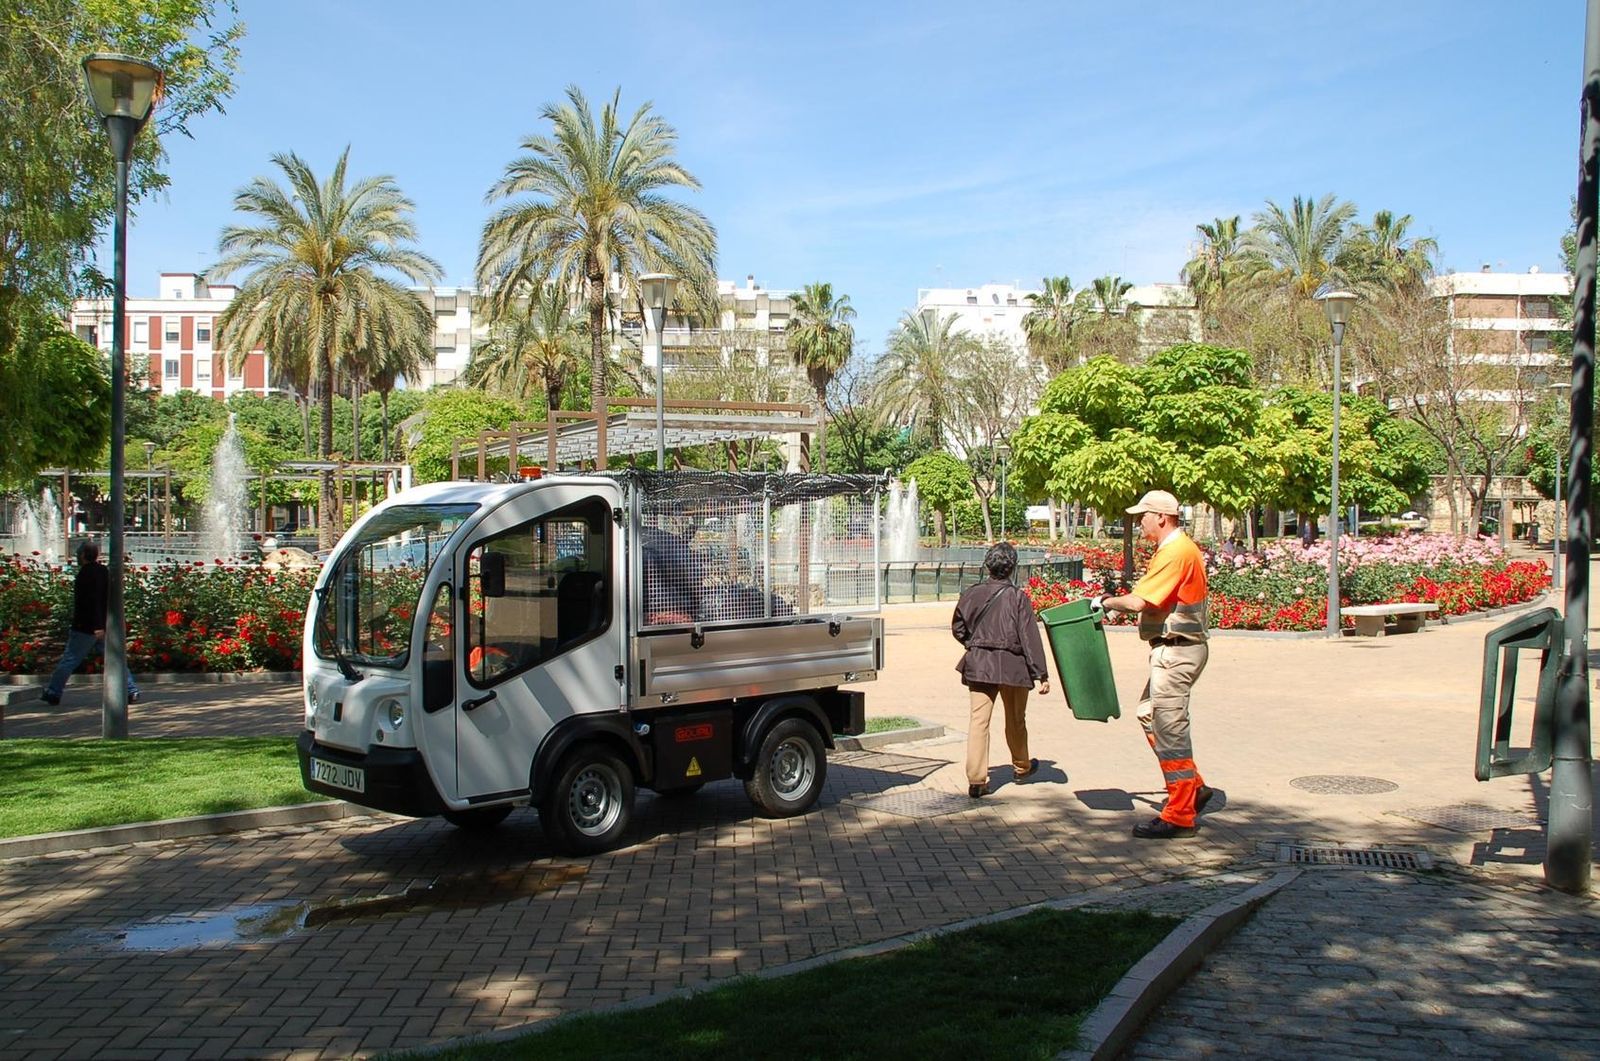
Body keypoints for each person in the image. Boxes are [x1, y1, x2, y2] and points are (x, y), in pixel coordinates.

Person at [1095, 490, 1213, 839]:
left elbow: (1139, 600)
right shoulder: (1178, 548)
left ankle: (1179, 815)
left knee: (1170, 730)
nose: (1139, 521)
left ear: (1161, 517)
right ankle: (1194, 787)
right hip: (1178, 649)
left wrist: (1105, 601)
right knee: (1149, 714)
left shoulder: (1175, 552)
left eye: (1143, 515)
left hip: (1177, 652)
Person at [952, 542, 1050, 798]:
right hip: (1012, 666)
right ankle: (1021, 767)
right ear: (1013, 568)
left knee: (978, 722)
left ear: (988, 566)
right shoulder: (1018, 597)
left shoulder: (971, 593)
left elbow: (958, 628)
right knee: (1016, 719)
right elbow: (1029, 637)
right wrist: (1041, 673)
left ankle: (976, 779)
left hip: (979, 664)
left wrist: (974, 645)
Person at [41, 541, 140, 706]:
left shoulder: (85, 575)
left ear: (82, 555)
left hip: (86, 627)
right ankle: (131, 690)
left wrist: (97, 626)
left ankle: (53, 692)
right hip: (103, 625)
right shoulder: (102, 571)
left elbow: (91, 601)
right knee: (115, 659)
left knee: (69, 660)